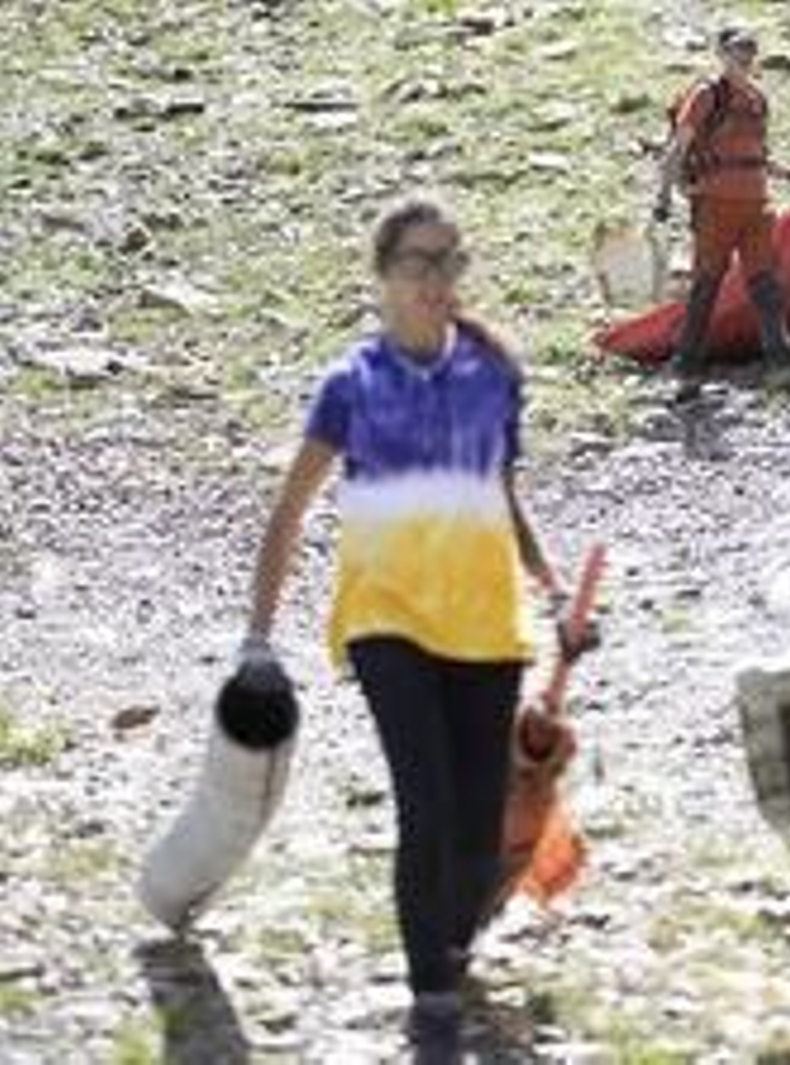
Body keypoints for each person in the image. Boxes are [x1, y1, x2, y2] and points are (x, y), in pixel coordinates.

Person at [239, 193, 572, 1061]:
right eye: (417, 263)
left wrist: (549, 580)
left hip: (487, 624)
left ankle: (452, 943)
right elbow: (289, 511)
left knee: (471, 823)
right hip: (387, 622)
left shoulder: (493, 374)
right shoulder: (350, 387)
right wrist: (257, 638)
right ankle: (430, 996)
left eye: (447, 263)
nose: (434, 281)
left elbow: (500, 490)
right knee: (425, 807)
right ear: (382, 276)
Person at [654, 23, 790, 403]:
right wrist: (663, 199)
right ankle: (685, 367)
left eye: (751, 49)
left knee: (765, 284)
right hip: (715, 206)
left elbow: (758, 156)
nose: (746, 55)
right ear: (720, 53)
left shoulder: (757, 99)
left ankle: (783, 366)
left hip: (756, 206)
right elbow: (676, 150)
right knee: (707, 284)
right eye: (738, 49)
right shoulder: (706, 95)